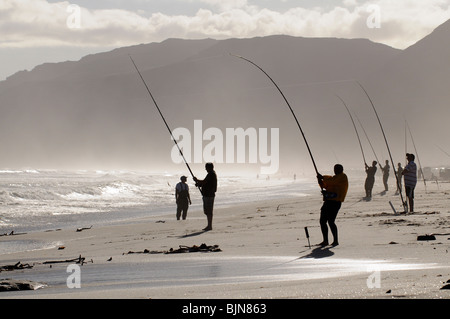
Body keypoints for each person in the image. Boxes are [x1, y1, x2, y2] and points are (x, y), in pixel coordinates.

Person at [317, 164, 348, 247]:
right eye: (335, 169)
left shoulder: (342, 177)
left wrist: (323, 177)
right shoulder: (334, 178)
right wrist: (321, 182)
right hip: (328, 201)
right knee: (322, 221)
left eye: (336, 169)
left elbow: (332, 181)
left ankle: (335, 241)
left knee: (331, 221)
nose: (335, 170)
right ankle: (325, 240)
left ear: (341, 169)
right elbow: (326, 185)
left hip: (335, 202)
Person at [193, 162, 217, 231]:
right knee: (207, 211)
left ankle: (209, 226)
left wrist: (196, 180)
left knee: (208, 211)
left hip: (209, 195)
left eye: (206, 167)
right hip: (208, 194)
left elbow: (204, 182)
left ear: (209, 168)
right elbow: (206, 183)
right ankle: (209, 225)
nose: (205, 169)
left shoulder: (211, 174)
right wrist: (199, 184)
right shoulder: (211, 174)